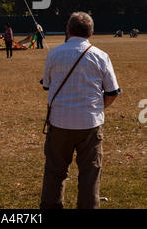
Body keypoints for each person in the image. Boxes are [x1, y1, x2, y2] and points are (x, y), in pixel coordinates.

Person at [40, 11, 121, 210]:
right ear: (91, 32)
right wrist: (95, 108)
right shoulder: (101, 56)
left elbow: (47, 85)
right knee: (90, 174)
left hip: (59, 122)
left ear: (67, 30)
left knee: (55, 172)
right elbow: (112, 92)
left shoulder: (54, 53)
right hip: (90, 125)